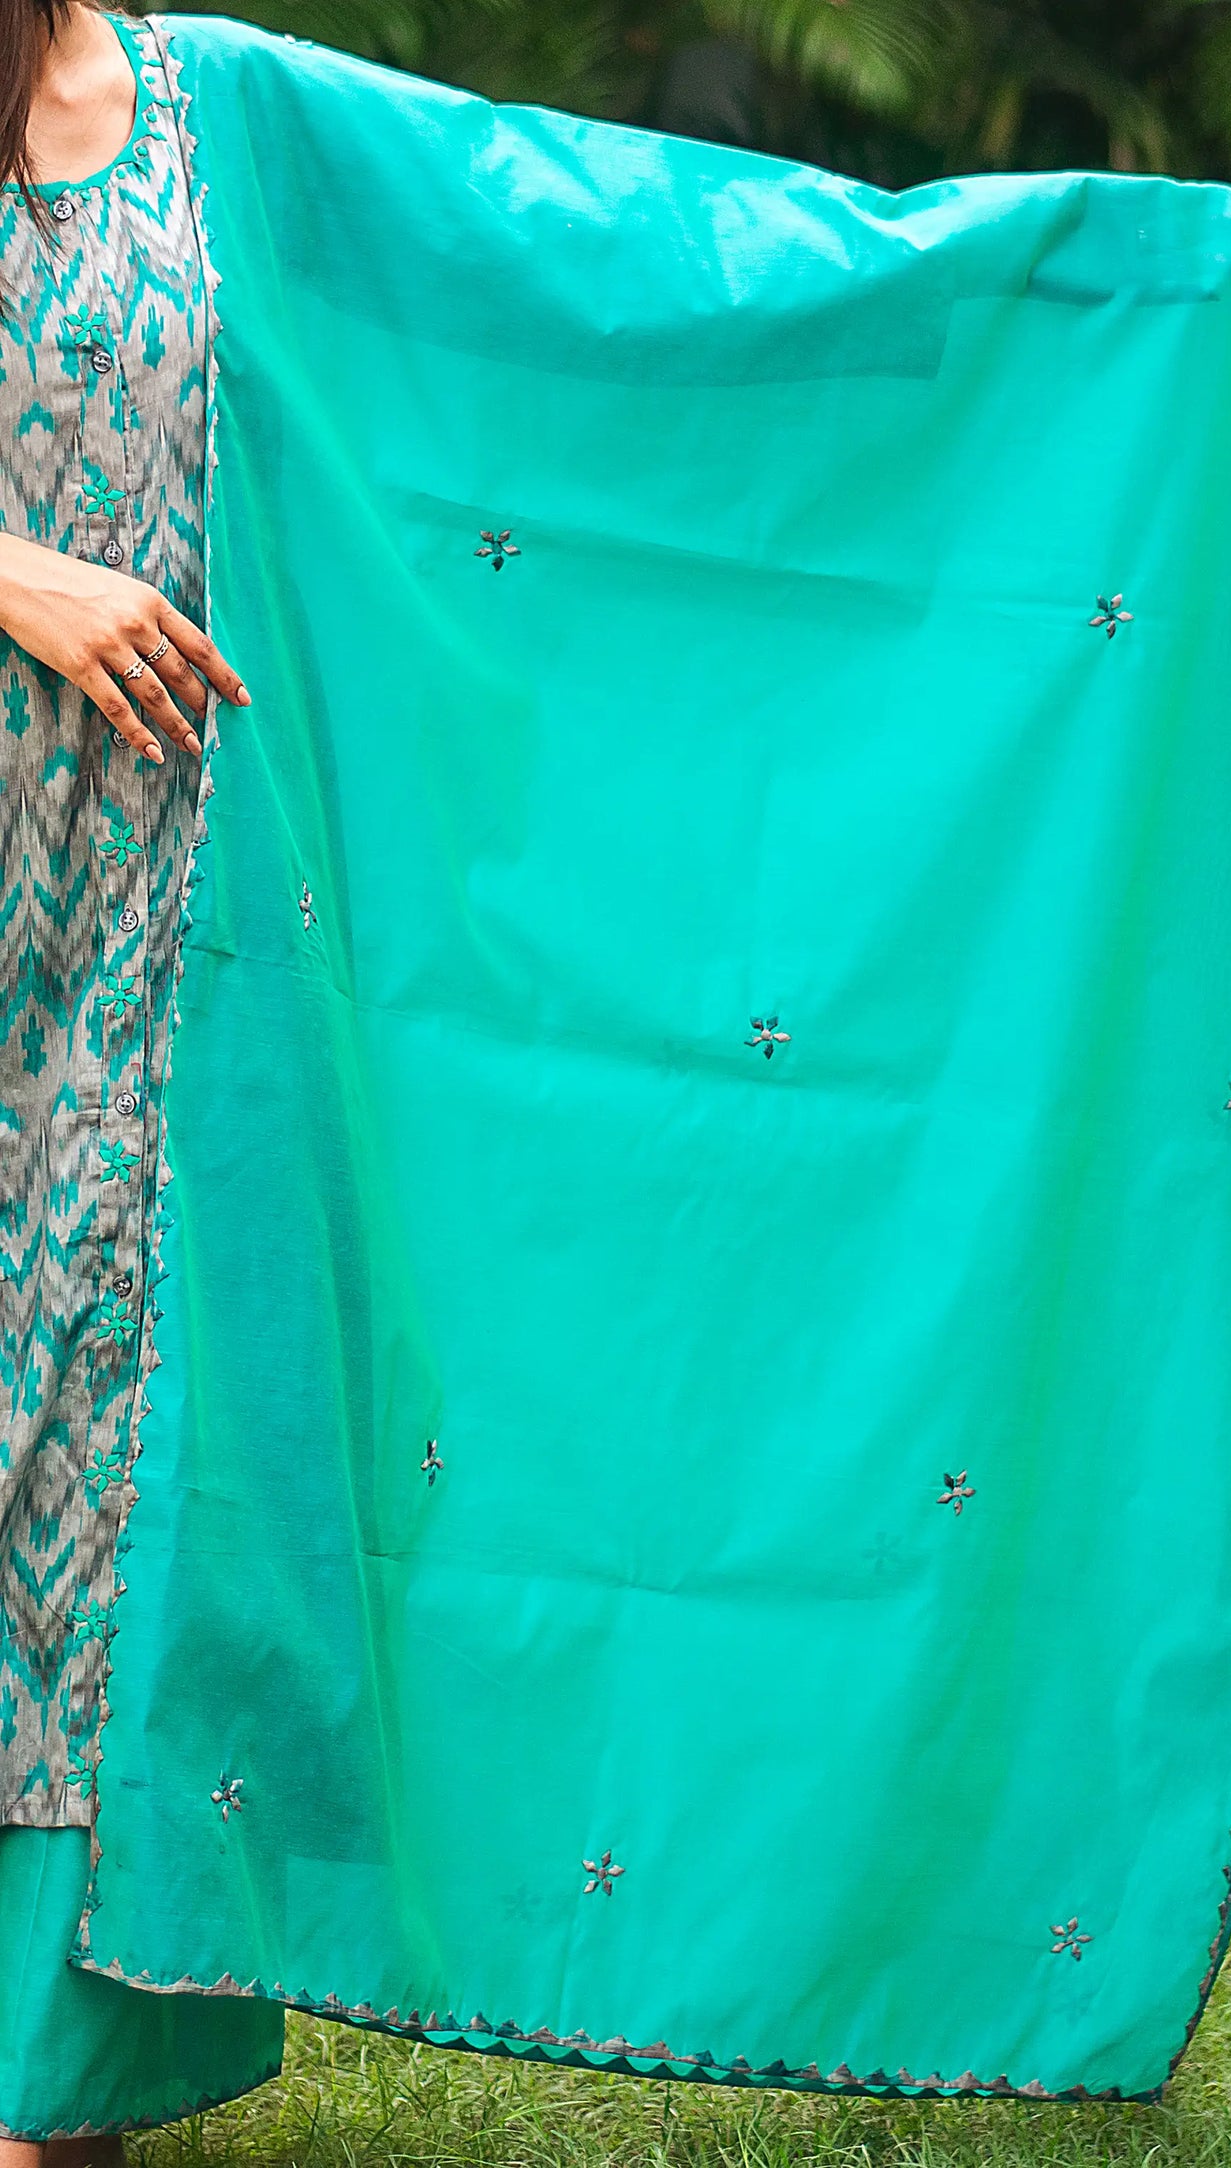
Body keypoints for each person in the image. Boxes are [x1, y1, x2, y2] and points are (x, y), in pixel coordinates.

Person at [0, 0, 287, 2151]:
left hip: (139, 909)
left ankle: (45, 2074)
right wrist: (19, 574)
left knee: (93, 1448)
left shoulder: (219, 107)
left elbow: (565, 249)